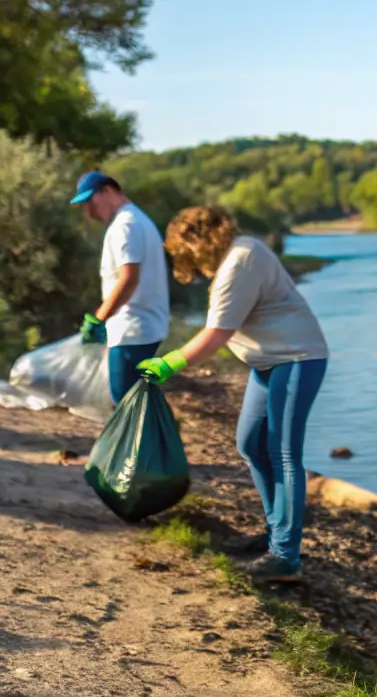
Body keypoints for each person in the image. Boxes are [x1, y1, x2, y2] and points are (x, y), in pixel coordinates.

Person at [136, 207, 328, 585]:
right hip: (268, 362)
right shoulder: (234, 257)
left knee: (284, 453)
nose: (182, 258)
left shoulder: (242, 259)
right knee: (251, 444)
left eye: (182, 248)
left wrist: (169, 363)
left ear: (198, 240)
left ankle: (285, 557)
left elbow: (216, 334)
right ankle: (276, 537)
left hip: (298, 359)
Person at [70, 171, 171, 405]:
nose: (89, 212)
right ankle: (156, 441)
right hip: (141, 326)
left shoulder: (126, 225)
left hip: (132, 329)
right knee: (138, 404)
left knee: (127, 404)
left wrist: (99, 318)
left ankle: (144, 443)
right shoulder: (138, 220)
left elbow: (128, 279)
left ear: (107, 191)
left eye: (90, 202)